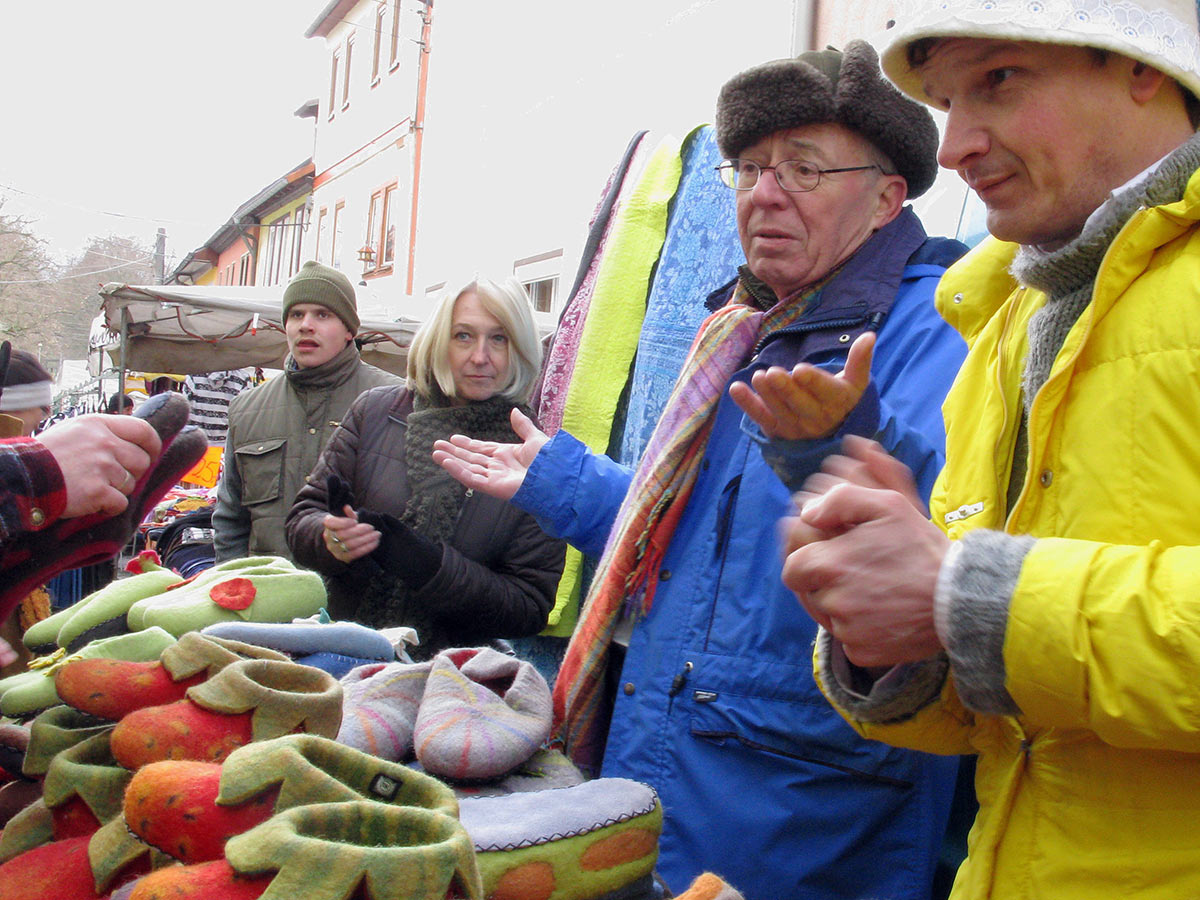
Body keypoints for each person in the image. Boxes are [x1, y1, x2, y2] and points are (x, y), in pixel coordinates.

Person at [433, 43, 968, 900]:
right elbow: (701, 547)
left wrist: (837, 444)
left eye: (804, 169)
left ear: (886, 197)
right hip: (673, 767)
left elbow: (936, 562)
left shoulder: (938, 330)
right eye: (750, 167)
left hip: (799, 813)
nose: (764, 194)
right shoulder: (743, 330)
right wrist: (568, 484)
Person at [771, 2, 1200, 898]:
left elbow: (987, 605)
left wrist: (960, 592)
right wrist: (892, 642)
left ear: (1142, 65)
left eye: (999, 80)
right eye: (947, 102)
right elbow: (997, 718)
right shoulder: (1005, 329)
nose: (957, 144)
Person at [286, 277, 565, 660]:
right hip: (340, 658)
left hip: (452, 685)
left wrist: (433, 569)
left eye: (499, 338)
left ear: (520, 348)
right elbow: (302, 518)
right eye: (463, 336)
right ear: (438, 340)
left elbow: (529, 607)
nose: (481, 356)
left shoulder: (533, 455)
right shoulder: (376, 412)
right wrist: (331, 538)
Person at [213, 261, 401, 561]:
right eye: (296, 314)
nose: (306, 325)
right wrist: (232, 586)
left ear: (349, 330)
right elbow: (230, 519)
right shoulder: (246, 409)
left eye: (323, 314)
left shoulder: (395, 402)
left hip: (355, 600)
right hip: (267, 598)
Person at [182, 368, 252, 444]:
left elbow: (184, 410)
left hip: (196, 442)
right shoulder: (243, 378)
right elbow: (245, 416)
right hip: (225, 444)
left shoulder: (194, 374)